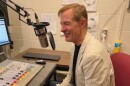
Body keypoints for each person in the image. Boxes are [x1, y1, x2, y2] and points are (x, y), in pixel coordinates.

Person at [56, 3, 115, 86]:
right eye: (61, 24)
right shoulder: (75, 46)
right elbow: (70, 78)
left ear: (82, 23)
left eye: (66, 23)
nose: (62, 29)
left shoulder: (93, 56)